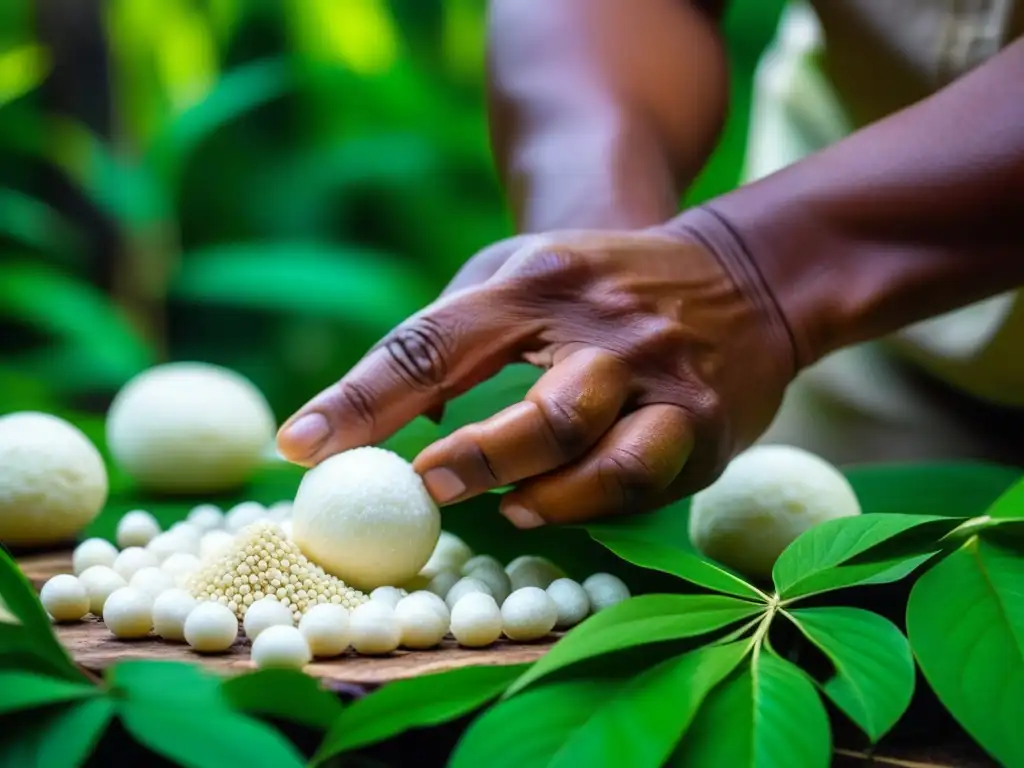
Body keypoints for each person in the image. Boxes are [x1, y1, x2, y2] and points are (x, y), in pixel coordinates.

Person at [276, 0, 1024, 530]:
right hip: (864, 349)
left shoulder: (767, 282)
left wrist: (756, 272)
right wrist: (597, 254)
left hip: (812, 266)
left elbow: (758, 278)